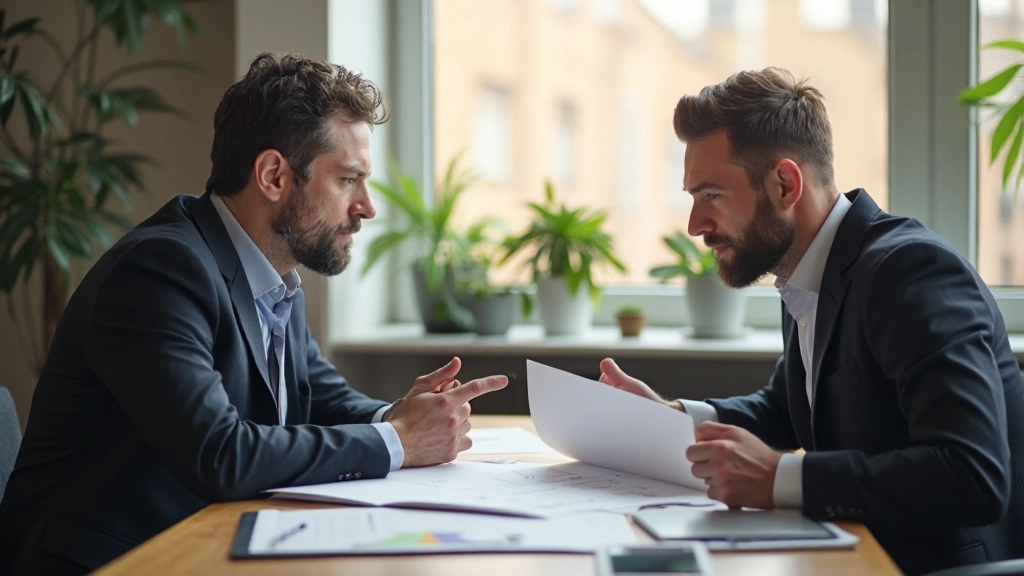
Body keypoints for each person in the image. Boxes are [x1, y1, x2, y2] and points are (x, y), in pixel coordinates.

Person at [0, 53, 508, 575]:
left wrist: (397, 416)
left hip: (205, 540)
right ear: (272, 175)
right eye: (347, 180)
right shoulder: (159, 271)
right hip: (109, 560)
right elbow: (219, 452)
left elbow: (321, 398)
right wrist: (399, 441)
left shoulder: (275, 274)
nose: (366, 207)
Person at [598, 68, 1024, 575]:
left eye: (711, 195)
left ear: (785, 184)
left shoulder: (911, 273)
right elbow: (786, 408)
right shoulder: (807, 272)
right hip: (857, 552)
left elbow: (972, 474)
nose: (696, 225)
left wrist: (780, 477)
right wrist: (671, 419)